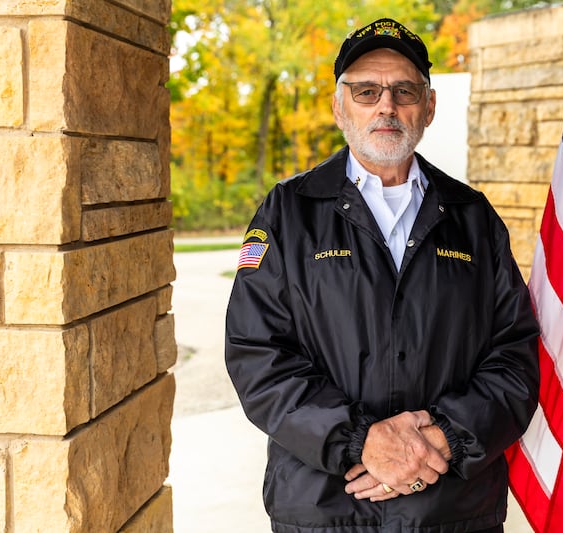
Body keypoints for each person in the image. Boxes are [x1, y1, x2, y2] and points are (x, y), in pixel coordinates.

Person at [225, 17, 540, 533]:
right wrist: (362, 442)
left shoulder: (473, 216)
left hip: (452, 510)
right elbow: (257, 353)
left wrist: (441, 438)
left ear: (429, 106)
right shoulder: (288, 212)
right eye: (367, 91)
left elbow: (516, 352)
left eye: (404, 91)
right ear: (339, 106)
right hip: (325, 507)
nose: (386, 106)